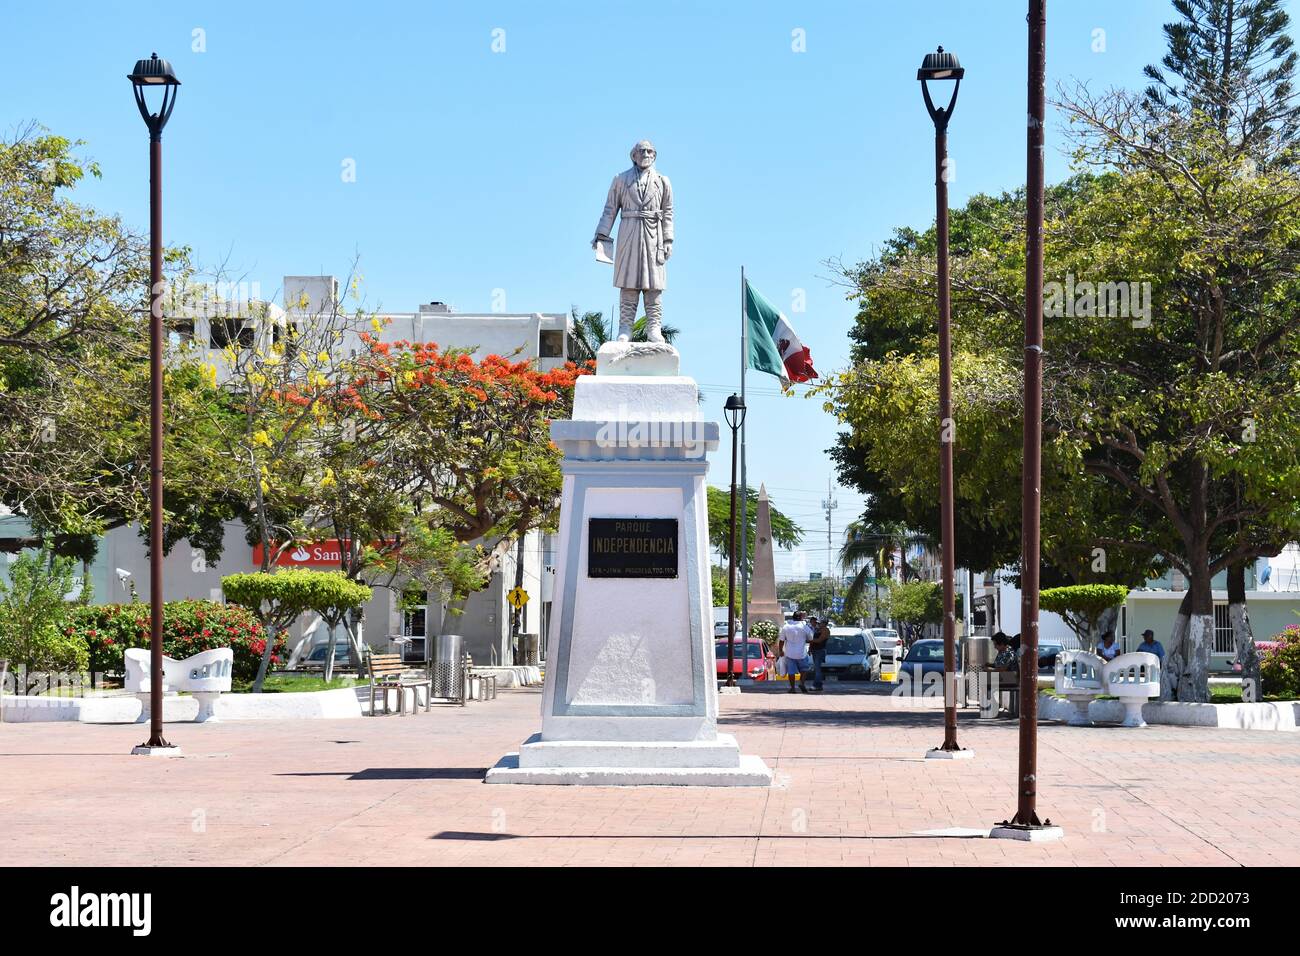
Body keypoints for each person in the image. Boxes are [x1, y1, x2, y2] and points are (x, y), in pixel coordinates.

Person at [778, 612, 812, 694]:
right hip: (801, 653)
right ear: (800, 618)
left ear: (793, 617)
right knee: (804, 669)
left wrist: (780, 650)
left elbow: (781, 640)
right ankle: (801, 683)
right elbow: (811, 638)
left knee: (791, 672)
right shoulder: (804, 627)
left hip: (790, 653)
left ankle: (792, 688)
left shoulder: (786, 627)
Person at [807, 615, 830, 692]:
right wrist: (810, 648)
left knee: (817, 669)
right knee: (816, 668)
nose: (818, 624)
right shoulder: (817, 629)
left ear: (824, 623)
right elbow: (813, 639)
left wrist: (810, 640)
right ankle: (819, 685)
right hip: (815, 650)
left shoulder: (826, 630)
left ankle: (816, 685)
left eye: (820, 623)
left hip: (820, 651)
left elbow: (819, 640)